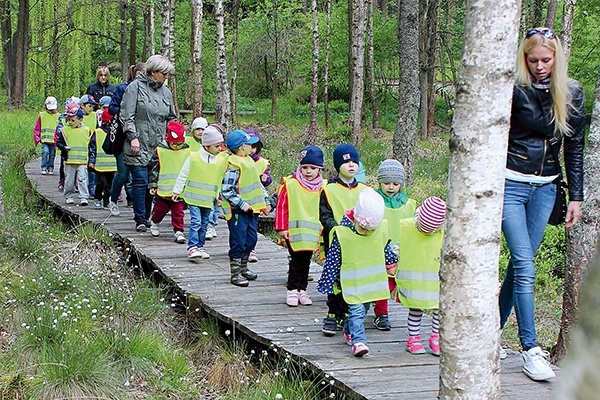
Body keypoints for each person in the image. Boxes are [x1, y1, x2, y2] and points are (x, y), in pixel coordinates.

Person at [499, 27, 585, 382]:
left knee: (520, 266)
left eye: (545, 60)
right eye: (532, 60)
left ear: (557, 58)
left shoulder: (571, 92)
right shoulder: (512, 89)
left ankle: (490, 333)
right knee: (523, 262)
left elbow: (574, 147)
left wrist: (576, 196)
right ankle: (531, 350)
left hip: (546, 187)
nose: (538, 66)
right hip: (511, 184)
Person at [317, 188, 397, 357]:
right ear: (355, 219)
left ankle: (348, 328)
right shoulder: (343, 234)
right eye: (363, 228)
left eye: (371, 229)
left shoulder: (380, 231)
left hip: (371, 283)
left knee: (364, 307)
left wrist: (391, 263)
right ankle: (358, 341)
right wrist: (329, 280)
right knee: (357, 310)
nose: (367, 232)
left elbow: (385, 246)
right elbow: (334, 258)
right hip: (352, 281)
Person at [119, 55, 177, 232]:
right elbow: (126, 116)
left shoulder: (166, 92)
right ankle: (140, 218)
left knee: (153, 182)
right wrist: (132, 137)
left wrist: (173, 137)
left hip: (158, 145)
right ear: (153, 72)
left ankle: (149, 215)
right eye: (164, 73)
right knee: (140, 180)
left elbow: (171, 117)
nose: (166, 77)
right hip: (138, 142)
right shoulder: (134, 88)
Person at [319, 143, 367, 336]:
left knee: (353, 277)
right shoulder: (328, 190)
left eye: (354, 161)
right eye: (346, 162)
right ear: (338, 165)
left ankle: (348, 312)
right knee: (335, 278)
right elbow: (324, 215)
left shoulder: (364, 190)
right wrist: (337, 228)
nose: (351, 165)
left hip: (358, 242)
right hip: (336, 241)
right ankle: (333, 312)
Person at [393, 196, 445, 356]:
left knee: (439, 309)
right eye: (424, 228)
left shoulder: (446, 232)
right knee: (415, 309)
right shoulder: (408, 227)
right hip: (414, 283)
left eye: (431, 231)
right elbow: (398, 246)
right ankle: (413, 338)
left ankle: (436, 337)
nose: (426, 232)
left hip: (437, 282)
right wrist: (392, 260)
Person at [275, 146, 324, 307]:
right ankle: (292, 289)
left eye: (312, 168)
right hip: (294, 232)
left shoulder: (323, 186)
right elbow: (282, 206)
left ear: (320, 169)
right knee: (296, 261)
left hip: (312, 233)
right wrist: (282, 228)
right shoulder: (290, 184)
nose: (308, 171)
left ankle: (302, 289)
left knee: (307, 261)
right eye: (305, 168)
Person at [221, 130, 271, 287]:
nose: (253, 146)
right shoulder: (233, 165)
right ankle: (235, 273)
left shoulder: (248, 160)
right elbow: (227, 190)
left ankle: (244, 268)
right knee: (238, 241)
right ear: (243, 147)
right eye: (250, 144)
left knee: (251, 240)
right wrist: (242, 204)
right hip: (238, 211)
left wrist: (265, 201)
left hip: (253, 210)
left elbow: (257, 184)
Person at [372, 159, 417, 331]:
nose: (391, 187)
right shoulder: (374, 201)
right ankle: (381, 314)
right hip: (377, 249)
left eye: (395, 183)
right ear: (379, 182)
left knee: (392, 283)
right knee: (381, 283)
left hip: (400, 251)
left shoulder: (409, 204)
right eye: (386, 183)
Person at [172, 125, 228, 259]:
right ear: (207, 146)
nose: (220, 149)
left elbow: (220, 179)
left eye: (221, 145)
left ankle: (200, 246)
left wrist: (219, 196)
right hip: (193, 198)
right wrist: (177, 190)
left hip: (209, 199)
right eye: (217, 146)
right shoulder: (193, 157)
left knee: (204, 224)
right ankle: (192, 247)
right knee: (196, 222)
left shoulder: (221, 160)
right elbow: (183, 174)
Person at [107, 62, 146, 217]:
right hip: (123, 136)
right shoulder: (123, 88)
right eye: (139, 74)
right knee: (123, 173)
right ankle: (113, 199)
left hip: (142, 136)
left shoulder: (149, 91)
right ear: (134, 74)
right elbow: (111, 108)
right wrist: (127, 111)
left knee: (140, 175)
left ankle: (140, 211)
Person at [148, 121, 190, 243]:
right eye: (174, 144)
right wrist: (153, 184)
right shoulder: (160, 150)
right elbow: (154, 169)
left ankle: (179, 231)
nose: (177, 146)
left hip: (179, 190)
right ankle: (155, 222)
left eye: (179, 144)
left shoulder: (187, 151)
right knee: (160, 211)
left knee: (178, 212)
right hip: (163, 189)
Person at [55, 104, 94, 206]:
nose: (70, 122)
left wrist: (91, 158)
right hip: (69, 160)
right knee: (69, 180)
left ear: (80, 120)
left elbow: (91, 145)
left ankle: (84, 197)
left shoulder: (86, 130)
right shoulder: (65, 130)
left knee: (82, 178)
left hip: (82, 160)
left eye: (73, 120)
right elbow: (59, 142)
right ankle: (69, 196)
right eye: (69, 120)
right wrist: (64, 147)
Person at [244, 128, 272, 263]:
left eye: (254, 146)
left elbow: (267, 182)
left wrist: (266, 179)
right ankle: (240, 248)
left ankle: (251, 249)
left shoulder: (263, 163)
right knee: (240, 227)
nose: (251, 150)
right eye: (249, 146)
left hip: (256, 201)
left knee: (252, 226)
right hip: (242, 201)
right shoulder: (239, 160)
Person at [92, 109, 118, 208]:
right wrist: (91, 160)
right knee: (101, 183)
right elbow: (92, 147)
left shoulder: (116, 133)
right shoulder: (97, 132)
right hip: (100, 164)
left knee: (110, 185)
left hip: (113, 165)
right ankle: (97, 198)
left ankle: (106, 201)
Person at [79, 94, 99, 197]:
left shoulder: (95, 115)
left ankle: (92, 187)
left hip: (92, 145)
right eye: (89, 106)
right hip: (81, 146)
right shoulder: (78, 117)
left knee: (91, 167)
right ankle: (80, 186)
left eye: (92, 106)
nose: (91, 108)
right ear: (82, 105)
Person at [33, 96, 59, 175]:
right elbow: (37, 127)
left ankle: (50, 167)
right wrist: (37, 138)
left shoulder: (58, 116)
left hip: (54, 141)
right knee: (45, 152)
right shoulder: (42, 115)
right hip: (44, 140)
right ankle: (44, 166)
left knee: (52, 154)